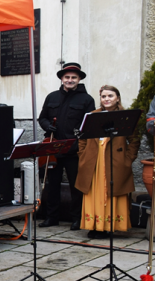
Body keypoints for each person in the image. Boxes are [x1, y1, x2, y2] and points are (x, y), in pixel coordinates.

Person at [37, 62, 96, 230]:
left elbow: (89, 125)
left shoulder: (87, 100)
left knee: (76, 186)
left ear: (78, 79)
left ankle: (76, 218)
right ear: (62, 79)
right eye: (67, 77)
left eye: (73, 77)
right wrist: (47, 126)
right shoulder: (52, 96)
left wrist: (79, 143)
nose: (70, 80)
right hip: (54, 148)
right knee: (52, 184)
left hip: (74, 149)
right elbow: (42, 118)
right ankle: (51, 217)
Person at [76, 85, 140, 239]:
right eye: (104, 96)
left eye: (110, 96)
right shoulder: (92, 115)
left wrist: (128, 158)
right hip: (94, 160)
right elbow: (82, 138)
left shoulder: (125, 116)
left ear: (117, 97)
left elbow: (134, 140)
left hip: (115, 161)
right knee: (94, 192)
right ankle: (95, 226)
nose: (106, 99)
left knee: (112, 191)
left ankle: (111, 225)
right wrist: (83, 154)